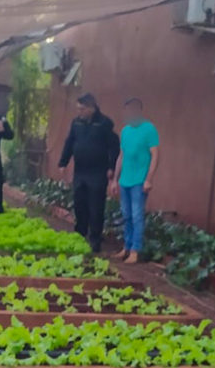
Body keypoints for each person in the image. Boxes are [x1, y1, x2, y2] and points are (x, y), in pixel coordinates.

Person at [58, 93, 119, 253]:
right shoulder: (76, 123)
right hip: (80, 171)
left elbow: (114, 146)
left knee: (96, 207)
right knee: (79, 205)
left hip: (98, 172)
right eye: (78, 109)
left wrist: (111, 167)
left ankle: (95, 240)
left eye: (82, 109)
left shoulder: (104, 123)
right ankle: (80, 235)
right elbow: (69, 142)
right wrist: (63, 162)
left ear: (92, 108)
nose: (79, 112)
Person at [111, 97, 159, 264]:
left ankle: (135, 251)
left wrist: (149, 179)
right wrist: (115, 180)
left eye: (131, 111)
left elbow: (155, 156)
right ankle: (127, 246)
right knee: (126, 215)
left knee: (137, 215)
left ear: (138, 111)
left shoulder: (149, 129)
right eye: (126, 112)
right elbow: (121, 156)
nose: (128, 114)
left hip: (139, 181)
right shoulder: (125, 131)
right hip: (125, 180)